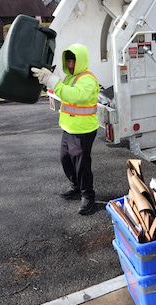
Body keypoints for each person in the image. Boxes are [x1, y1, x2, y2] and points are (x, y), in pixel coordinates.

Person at [31, 44, 100, 215]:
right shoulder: (71, 78)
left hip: (83, 130)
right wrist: (49, 81)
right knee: (66, 160)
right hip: (69, 129)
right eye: (68, 61)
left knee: (82, 165)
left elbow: (74, 96)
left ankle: (88, 196)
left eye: (73, 61)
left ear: (81, 61)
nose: (70, 65)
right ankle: (76, 187)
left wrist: (53, 81)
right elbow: (63, 92)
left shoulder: (88, 79)